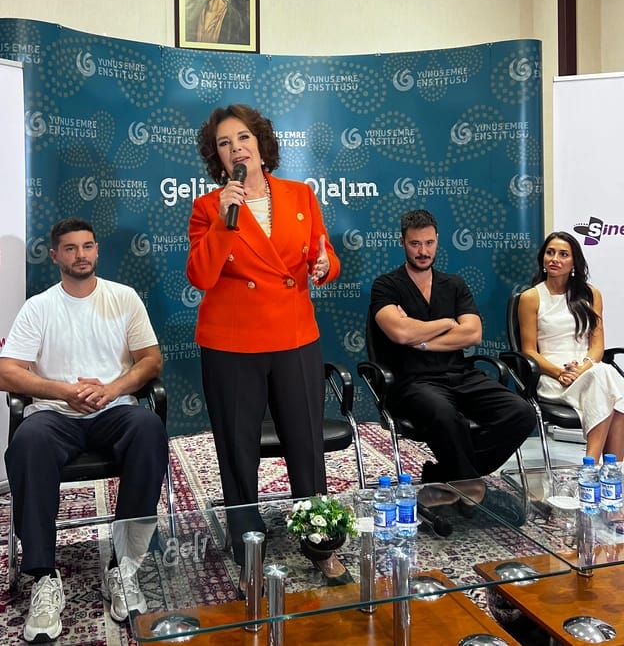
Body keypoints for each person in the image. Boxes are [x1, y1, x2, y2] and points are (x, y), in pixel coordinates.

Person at [186, 103, 343, 589]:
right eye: (224, 143)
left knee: (306, 445)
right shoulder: (209, 208)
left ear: (260, 144)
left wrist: (325, 267)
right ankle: (248, 549)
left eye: (243, 138)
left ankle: (321, 543)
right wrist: (223, 222)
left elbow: (324, 253)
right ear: (217, 157)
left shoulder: (300, 195)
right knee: (238, 452)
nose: (236, 148)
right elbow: (201, 276)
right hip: (232, 344)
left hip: (295, 337)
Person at [0, 217, 169, 644]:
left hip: (113, 410)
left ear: (97, 251)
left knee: (148, 428)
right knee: (28, 441)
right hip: (57, 415)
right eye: (70, 249)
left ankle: (123, 567)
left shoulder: (123, 298)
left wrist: (112, 389)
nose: (81, 255)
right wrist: (64, 391)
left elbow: (151, 360)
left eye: (87, 246)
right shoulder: (39, 307)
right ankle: (43, 576)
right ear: (55, 256)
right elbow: (5, 373)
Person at [370, 208, 535, 519]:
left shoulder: (454, 284)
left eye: (429, 243)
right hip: (413, 382)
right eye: (415, 244)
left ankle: (447, 477)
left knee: (521, 412)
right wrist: (447, 323)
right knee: (446, 415)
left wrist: (421, 338)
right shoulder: (386, 285)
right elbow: (400, 332)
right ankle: (473, 489)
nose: (423, 251)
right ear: (402, 242)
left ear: (437, 240)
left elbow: (472, 334)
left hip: (461, 374)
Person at [518, 230, 624, 462]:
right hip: (552, 376)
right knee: (610, 384)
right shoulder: (530, 297)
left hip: (586, 369)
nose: (555, 259)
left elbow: (597, 346)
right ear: (543, 258)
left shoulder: (591, 294)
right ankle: (599, 466)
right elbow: (529, 351)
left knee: (603, 376)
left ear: (574, 262)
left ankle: (605, 468)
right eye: (550, 253)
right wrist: (560, 373)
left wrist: (582, 369)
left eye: (563, 254)